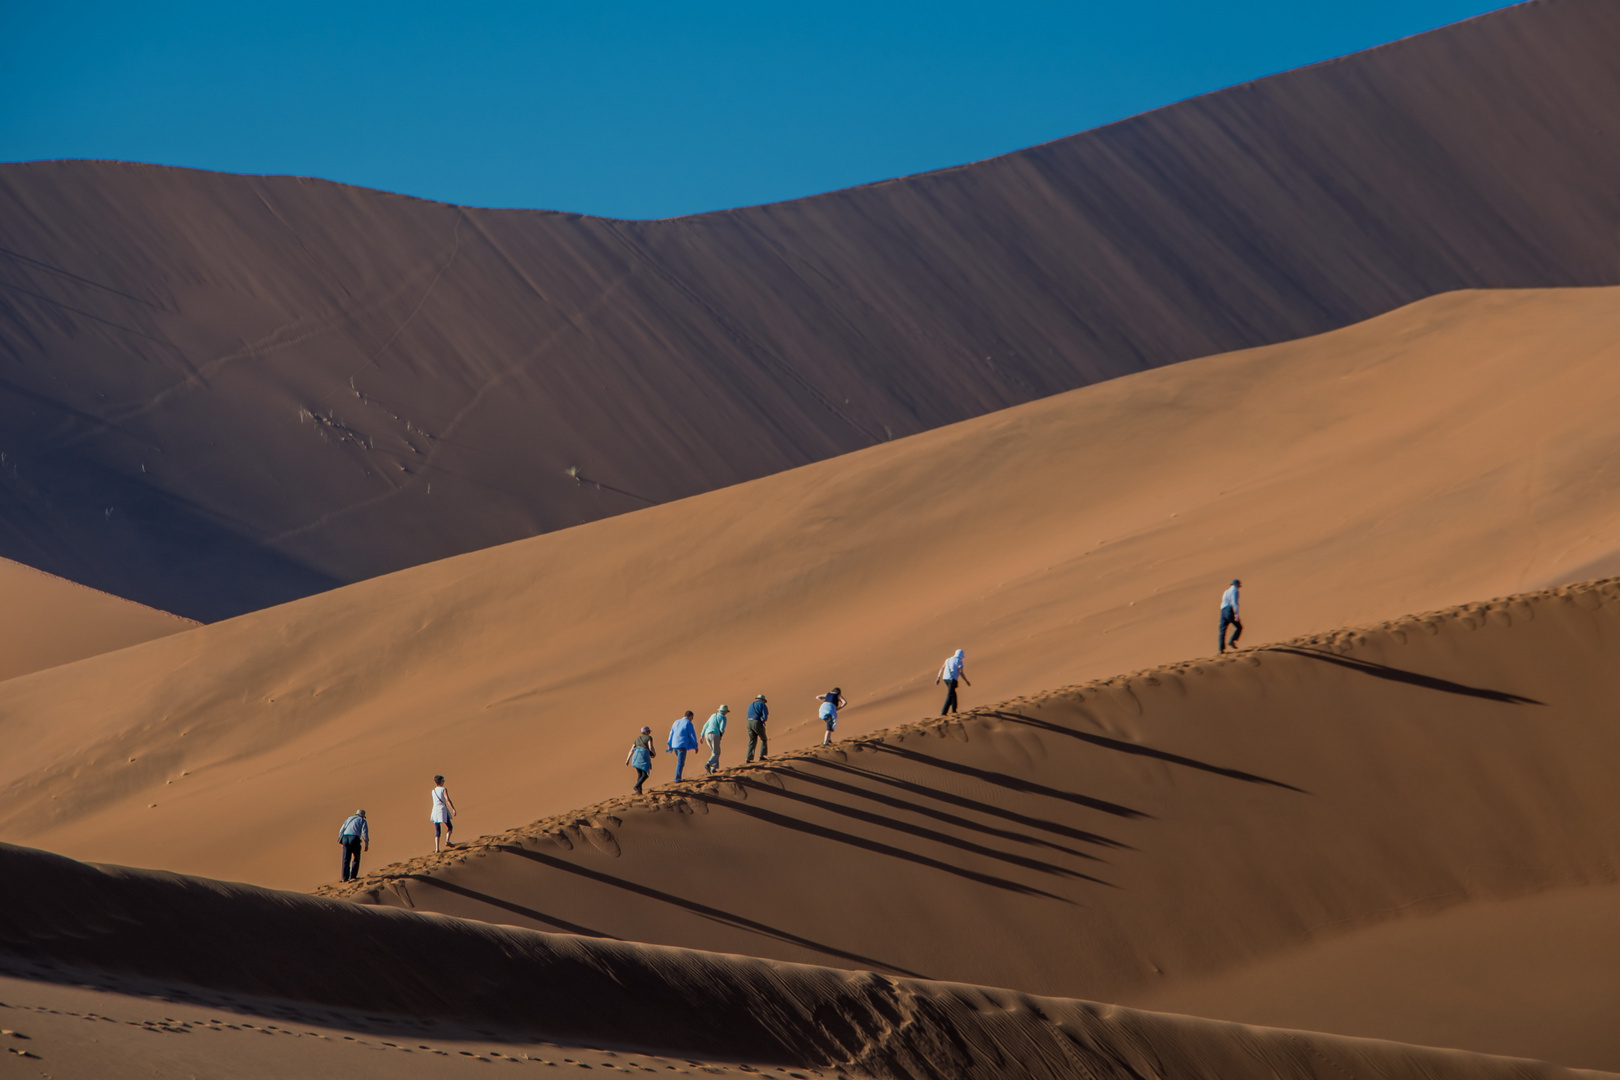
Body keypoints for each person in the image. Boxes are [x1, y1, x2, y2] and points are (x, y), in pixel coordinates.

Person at [338, 809, 369, 882]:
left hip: (345, 838)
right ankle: (353, 876)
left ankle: (344, 878)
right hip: (354, 838)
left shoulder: (349, 819)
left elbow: (341, 830)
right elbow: (364, 833)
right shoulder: (362, 821)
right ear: (362, 816)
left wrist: (341, 842)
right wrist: (366, 843)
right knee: (356, 857)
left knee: (346, 859)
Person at [667, 710, 699, 781]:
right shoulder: (688, 723)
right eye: (692, 718)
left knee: (680, 762)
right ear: (690, 716)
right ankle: (677, 778)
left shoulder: (676, 722)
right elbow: (692, 735)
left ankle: (678, 777)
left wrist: (669, 744)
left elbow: (671, 733)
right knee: (680, 763)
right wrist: (696, 745)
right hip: (682, 745)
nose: (692, 719)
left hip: (674, 745)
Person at [936, 649, 969, 715]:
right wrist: (966, 681)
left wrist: (938, 678)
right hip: (952, 680)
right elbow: (961, 672)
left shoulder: (948, 660)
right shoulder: (959, 661)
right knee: (950, 695)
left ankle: (954, 710)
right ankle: (943, 712)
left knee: (953, 693)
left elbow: (942, 668)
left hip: (945, 679)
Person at [626, 725, 656, 793]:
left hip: (636, 757)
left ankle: (639, 791)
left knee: (639, 774)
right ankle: (636, 786)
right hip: (643, 756)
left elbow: (632, 749)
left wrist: (627, 759)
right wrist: (654, 753)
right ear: (647, 732)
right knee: (645, 774)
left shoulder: (637, 739)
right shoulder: (649, 737)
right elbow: (650, 747)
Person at [430, 775, 456, 852]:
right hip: (442, 810)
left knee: (437, 830)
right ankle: (447, 840)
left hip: (435, 811)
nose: (444, 781)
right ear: (441, 781)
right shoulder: (443, 789)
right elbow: (447, 800)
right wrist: (453, 809)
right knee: (450, 826)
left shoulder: (433, 791)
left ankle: (437, 849)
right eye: (443, 780)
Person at [702, 705, 729, 773]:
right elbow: (721, 728)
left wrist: (702, 735)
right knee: (717, 752)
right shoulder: (723, 718)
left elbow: (705, 725)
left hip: (707, 734)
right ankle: (708, 764)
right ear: (725, 712)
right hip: (714, 734)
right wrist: (721, 734)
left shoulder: (713, 715)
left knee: (713, 751)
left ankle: (713, 769)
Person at [1219, 579, 1243, 654]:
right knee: (1239, 627)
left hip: (1223, 611)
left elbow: (1223, 602)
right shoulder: (1235, 591)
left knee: (1222, 631)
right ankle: (1232, 641)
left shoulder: (1226, 591)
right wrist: (1236, 614)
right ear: (1237, 585)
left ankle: (1221, 650)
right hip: (1229, 610)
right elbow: (1235, 602)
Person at [745, 694, 769, 762]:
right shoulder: (762, 705)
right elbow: (765, 715)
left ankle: (748, 758)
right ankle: (762, 756)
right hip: (756, 722)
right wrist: (763, 721)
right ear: (762, 700)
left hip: (748, 722)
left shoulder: (751, 704)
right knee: (764, 739)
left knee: (752, 740)